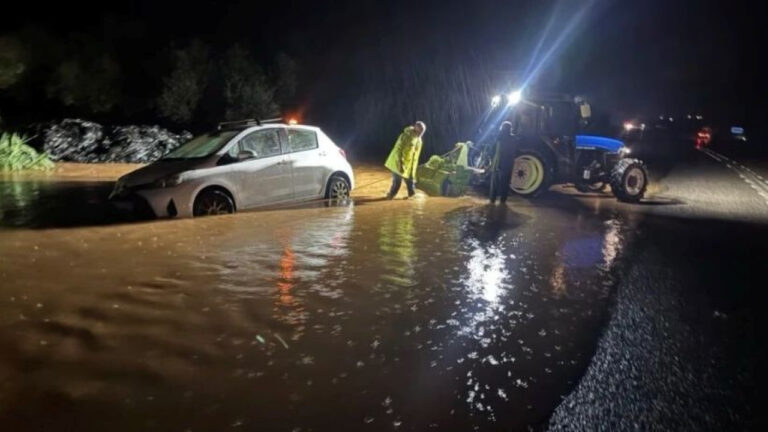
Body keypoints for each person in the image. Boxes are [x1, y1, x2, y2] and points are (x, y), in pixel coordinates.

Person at [384, 121, 425, 199]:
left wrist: (413, 169)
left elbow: (414, 156)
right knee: (397, 183)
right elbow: (398, 151)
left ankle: (412, 199)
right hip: (397, 164)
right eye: (420, 130)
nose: (421, 133)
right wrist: (400, 165)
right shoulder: (405, 136)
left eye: (423, 131)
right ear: (416, 128)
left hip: (408, 167)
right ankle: (389, 197)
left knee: (410, 183)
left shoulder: (419, 140)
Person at [489, 121, 516, 204]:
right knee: (505, 183)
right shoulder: (513, 138)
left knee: (494, 184)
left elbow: (492, 151)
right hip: (507, 164)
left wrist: (492, 161)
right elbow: (515, 152)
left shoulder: (497, 137)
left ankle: (492, 200)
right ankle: (503, 200)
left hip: (497, 164)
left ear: (501, 127)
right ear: (510, 129)